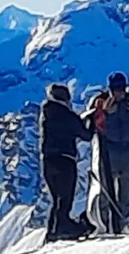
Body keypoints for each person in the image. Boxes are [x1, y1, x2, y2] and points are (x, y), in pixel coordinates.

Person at [84, 71, 129, 234]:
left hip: (127, 149)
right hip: (107, 150)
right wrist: (104, 113)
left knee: (126, 191)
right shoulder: (99, 101)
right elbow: (89, 128)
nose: (118, 93)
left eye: (121, 89)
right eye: (115, 89)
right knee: (105, 190)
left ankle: (122, 224)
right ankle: (105, 225)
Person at [38, 83, 91, 241]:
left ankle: (53, 230)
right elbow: (86, 134)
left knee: (57, 198)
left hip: (48, 160)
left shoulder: (46, 113)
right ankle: (64, 228)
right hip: (65, 159)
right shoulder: (67, 115)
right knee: (65, 197)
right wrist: (90, 120)